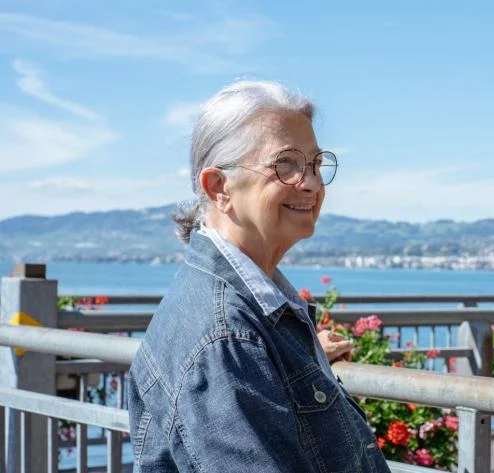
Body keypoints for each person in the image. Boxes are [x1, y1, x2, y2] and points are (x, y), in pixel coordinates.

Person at [126, 80, 391, 472]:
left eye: (315, 164)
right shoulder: (226, 338)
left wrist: (298, 358)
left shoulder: (243, 318)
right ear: (219, 188)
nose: (312, 184)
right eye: (286, 164)